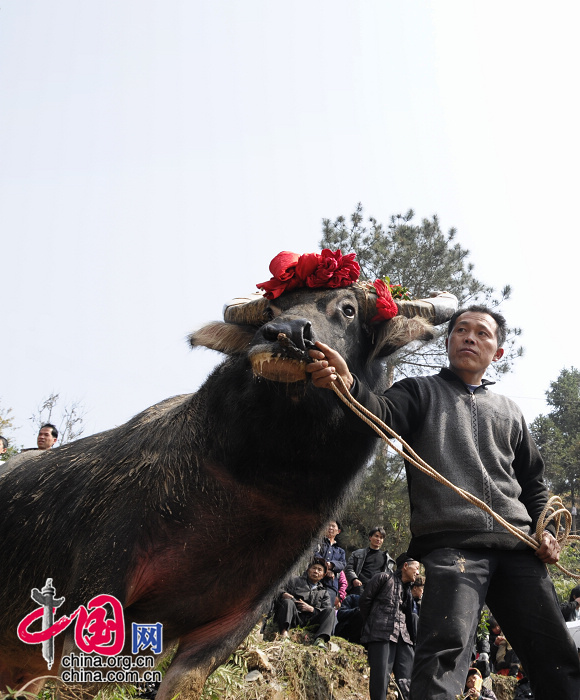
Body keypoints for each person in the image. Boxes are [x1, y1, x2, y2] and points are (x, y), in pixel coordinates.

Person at [307, 304, 580, 699]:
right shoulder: (419, 392)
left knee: (558, 659)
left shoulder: (510, 412)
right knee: (443, 657)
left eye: (482, 333)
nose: (470, 337)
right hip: (453, 548)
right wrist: (349, 384)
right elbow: (380, 412)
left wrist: (548, 530)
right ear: (449, 342)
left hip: (519, 549)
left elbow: (533, 483)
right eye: (461, 330)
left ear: (497, 353)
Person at [359, 552, 419, 700]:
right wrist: (375, 622)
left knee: (408, 680)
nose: (418, 572)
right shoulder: (383, 578)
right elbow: (364, 602)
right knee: (380, 679)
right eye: (416, 568)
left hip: (403, 638)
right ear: (405, 566)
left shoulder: (408, 591)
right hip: (381, 634)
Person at [274, 559, 335, 649]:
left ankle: (320, 640)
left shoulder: (324, 592)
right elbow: (277, 589)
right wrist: (283, 594)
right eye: (313, 568)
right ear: (308, 570)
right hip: (294, 617)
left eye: (319, 570)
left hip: (311, 621)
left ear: (323, 575)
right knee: (287, 602)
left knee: (331, 611)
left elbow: (326, 609)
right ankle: (284, 634)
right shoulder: (294, 581)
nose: (316, 571)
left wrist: (312, 609)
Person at [344, 526, 395, 594]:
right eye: (376, 536)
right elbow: (349, 568)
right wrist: (354, 579)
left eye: (381, 537)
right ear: (370, 537)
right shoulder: (357, 553)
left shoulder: (386, 558)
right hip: (359, 588)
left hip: (376, 591)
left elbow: (389, 577)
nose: (378, 539)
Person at [313, 520, 346, 605]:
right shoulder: (317, 543)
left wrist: (331, 564)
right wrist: (326, 568)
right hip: (313, 580)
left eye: (333, 526)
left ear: (338, 531)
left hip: (330, 584)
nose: (330, 528)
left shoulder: (340, 551)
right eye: (328, 525)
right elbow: (314, 555)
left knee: (326, 609)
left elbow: (342, 564)